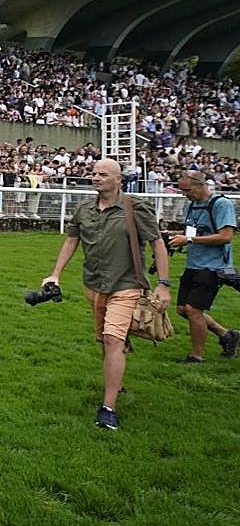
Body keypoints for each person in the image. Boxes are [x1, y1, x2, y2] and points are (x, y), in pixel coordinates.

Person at [43, 159, 171, 430]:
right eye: (94, 173)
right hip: (94, 284)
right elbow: (71, 241)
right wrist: (55, 273)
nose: (96, 177)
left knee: (113, 340)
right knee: (105, 340)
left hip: (126, 285)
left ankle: (108, 408)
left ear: (118, 180)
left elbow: (157, 243)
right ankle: (117, 379)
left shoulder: (135, 207)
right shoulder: (84, 209)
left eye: (103, 174)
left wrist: (163, 283)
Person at [168, 170, 239, 363]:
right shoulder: (192, 205)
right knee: (182, 309)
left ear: (201, 184)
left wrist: (189, 240)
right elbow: (192, 233)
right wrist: (175, 237)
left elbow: (226, 237)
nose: (184, 194)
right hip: (193, 264)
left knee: (193, 310)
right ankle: (227, 335)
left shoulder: (221, 204)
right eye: (182, 190)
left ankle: (197, 356)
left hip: (213, 267)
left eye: (187, 190)